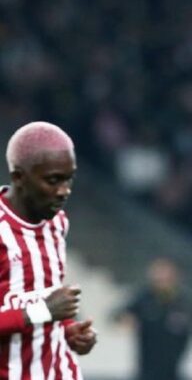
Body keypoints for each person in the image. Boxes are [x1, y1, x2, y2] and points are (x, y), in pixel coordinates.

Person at [0, 121, 98, 378]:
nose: (64, 191)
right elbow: (41, 308)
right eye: (53, 180)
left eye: (68, 178)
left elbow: (41, 294)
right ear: (18, 177)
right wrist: (42, 311)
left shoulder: (57, 222)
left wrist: (69, 330)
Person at [117, 257, 192, 380]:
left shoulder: (182, 303)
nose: (161, 280)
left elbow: (190, 329)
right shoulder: (144, 298)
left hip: (172, 369)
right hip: (147, 368)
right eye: (158, 276)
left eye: (166, 276)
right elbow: (121, 314)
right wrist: (127, 319)